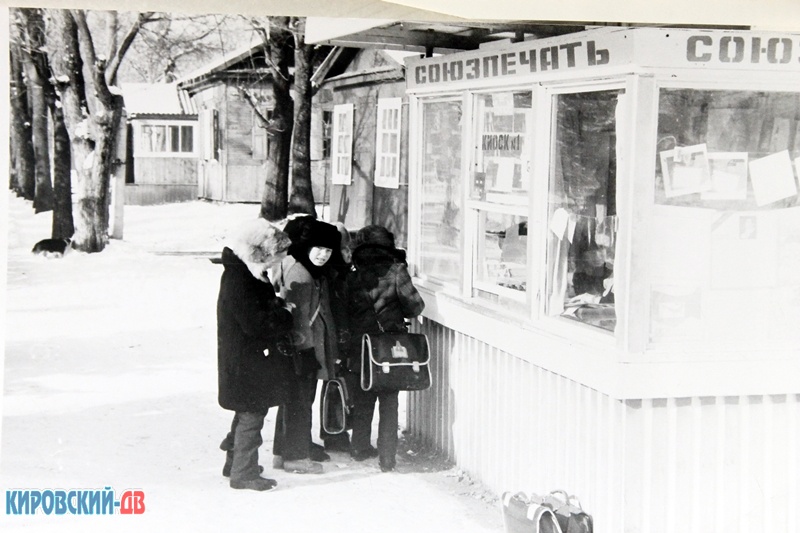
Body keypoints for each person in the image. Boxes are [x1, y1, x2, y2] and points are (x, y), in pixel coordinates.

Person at [216, 218, 294, 492]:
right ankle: (244, 473)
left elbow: (252, 313)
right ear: (261, 253)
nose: (276, 264)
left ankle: (234, 463)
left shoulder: (244, 273)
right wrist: (284, 315)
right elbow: (255, 324)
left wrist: (274, 303)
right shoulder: (242, 279)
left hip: (243, 358)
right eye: (276, 258)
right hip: (246, 360)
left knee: (245, 410)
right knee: (252, 413)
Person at [344, 225, 425, 472]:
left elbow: (344, 311)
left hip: (361, 345)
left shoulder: (353, 273)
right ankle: (387, 457)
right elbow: (415, 307)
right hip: (390, 347)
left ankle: (359, 447)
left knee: (363, 397)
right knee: (389, 402)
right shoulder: (397, 271)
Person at [272, 219, 342, 474]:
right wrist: (305, 351)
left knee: (294, 400)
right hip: (304, 350)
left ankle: (283, 451)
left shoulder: (302, 267)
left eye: (328, 251)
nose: (323, 255)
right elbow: (296, 317)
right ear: (306, 247)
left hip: (304, 349)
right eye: (318, 249)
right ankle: (296, 457)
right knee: (300, 401)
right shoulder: (301, 273)